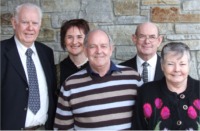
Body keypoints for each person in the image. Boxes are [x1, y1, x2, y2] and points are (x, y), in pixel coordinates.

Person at [54, 29, 143, 130]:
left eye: (103, 46)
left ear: (111, 49)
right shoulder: (70, 85)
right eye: (93, 46)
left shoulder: (133, 78)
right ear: (85, 51)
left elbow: (143, 121)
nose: (99, 51)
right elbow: (62, 128)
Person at [1, 3, 56, 130]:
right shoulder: (1, 52)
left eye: (35, 23)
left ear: (40, 25)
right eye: (25, 22)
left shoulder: (46, 53)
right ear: (14, 23)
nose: (30, 28)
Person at [133, 42, 200, 130]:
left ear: (189, 65)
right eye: (170, 64)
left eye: (182, 64)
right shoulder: (146, 92)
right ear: (162, 66)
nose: (176, 69)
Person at [56, 19, 90, 91]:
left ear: (87, 40)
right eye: (70, 37)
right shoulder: (56, 71)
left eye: (79, 37)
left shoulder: (97, 67)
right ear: (64, 41)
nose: (74, 42)